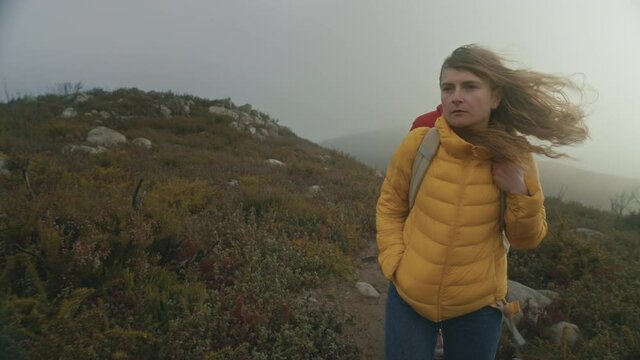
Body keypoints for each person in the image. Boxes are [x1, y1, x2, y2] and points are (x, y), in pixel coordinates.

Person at [376, 44, 589, 360]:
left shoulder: (515, 157)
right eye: (448, 88)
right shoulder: (420, 143)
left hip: (477, 306)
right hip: (410, 294)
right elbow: (390, 206)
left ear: (495, 97)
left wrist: (519, 190)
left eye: (469, 86)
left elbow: (527, 239)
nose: (455, 97)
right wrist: (395, 263)